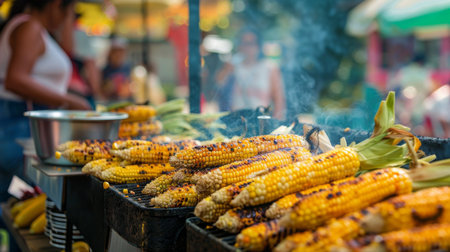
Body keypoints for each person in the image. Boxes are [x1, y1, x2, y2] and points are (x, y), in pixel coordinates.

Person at [0, 0, 91, 202]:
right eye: (69, 12)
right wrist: (69, 100)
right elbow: (15, 80)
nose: (68, 19)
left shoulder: (32, 27)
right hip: (19, 128)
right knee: (33, 200)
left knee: (14, 202)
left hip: (16, 126)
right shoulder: (30, 27)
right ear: (56, 4)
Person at [216, 28, 285, 119]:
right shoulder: (233, 66)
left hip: (260, 120)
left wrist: (277, 121)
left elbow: (279, 100)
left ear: (258, 46)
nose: (247, 48)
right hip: (237, 120)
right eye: (243, 43)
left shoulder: (269, 68)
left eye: (250, 44)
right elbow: (218, 87)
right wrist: (226, 70)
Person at [102, 37, 133, 102]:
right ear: (110, 53)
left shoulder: (129, 68)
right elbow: (102, 92)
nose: (118, 54)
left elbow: (131, 88)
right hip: (110, 102)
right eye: (116, 52)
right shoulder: (105, 70)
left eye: (121, 52)